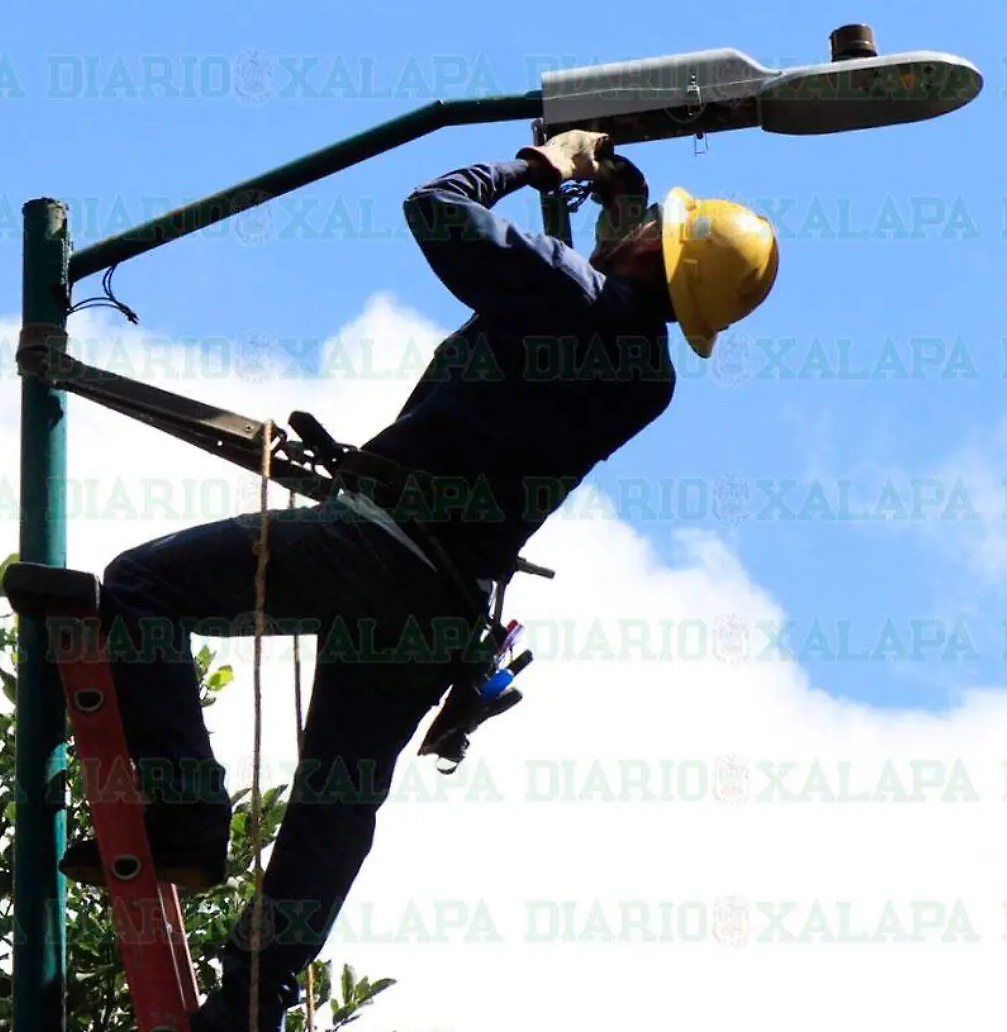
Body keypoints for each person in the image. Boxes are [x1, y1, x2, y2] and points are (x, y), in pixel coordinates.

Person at [66, 129, 779, 1032]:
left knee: (138, 588)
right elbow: (606, 275)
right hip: (444, 606)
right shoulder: (649, 374)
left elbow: (435, 207)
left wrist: (541, 165)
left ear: (654, 251)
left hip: (380, 545)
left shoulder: (569, 295)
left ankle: (187, 819)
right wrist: (614, 202)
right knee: (338, 797)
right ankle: (258, 997)